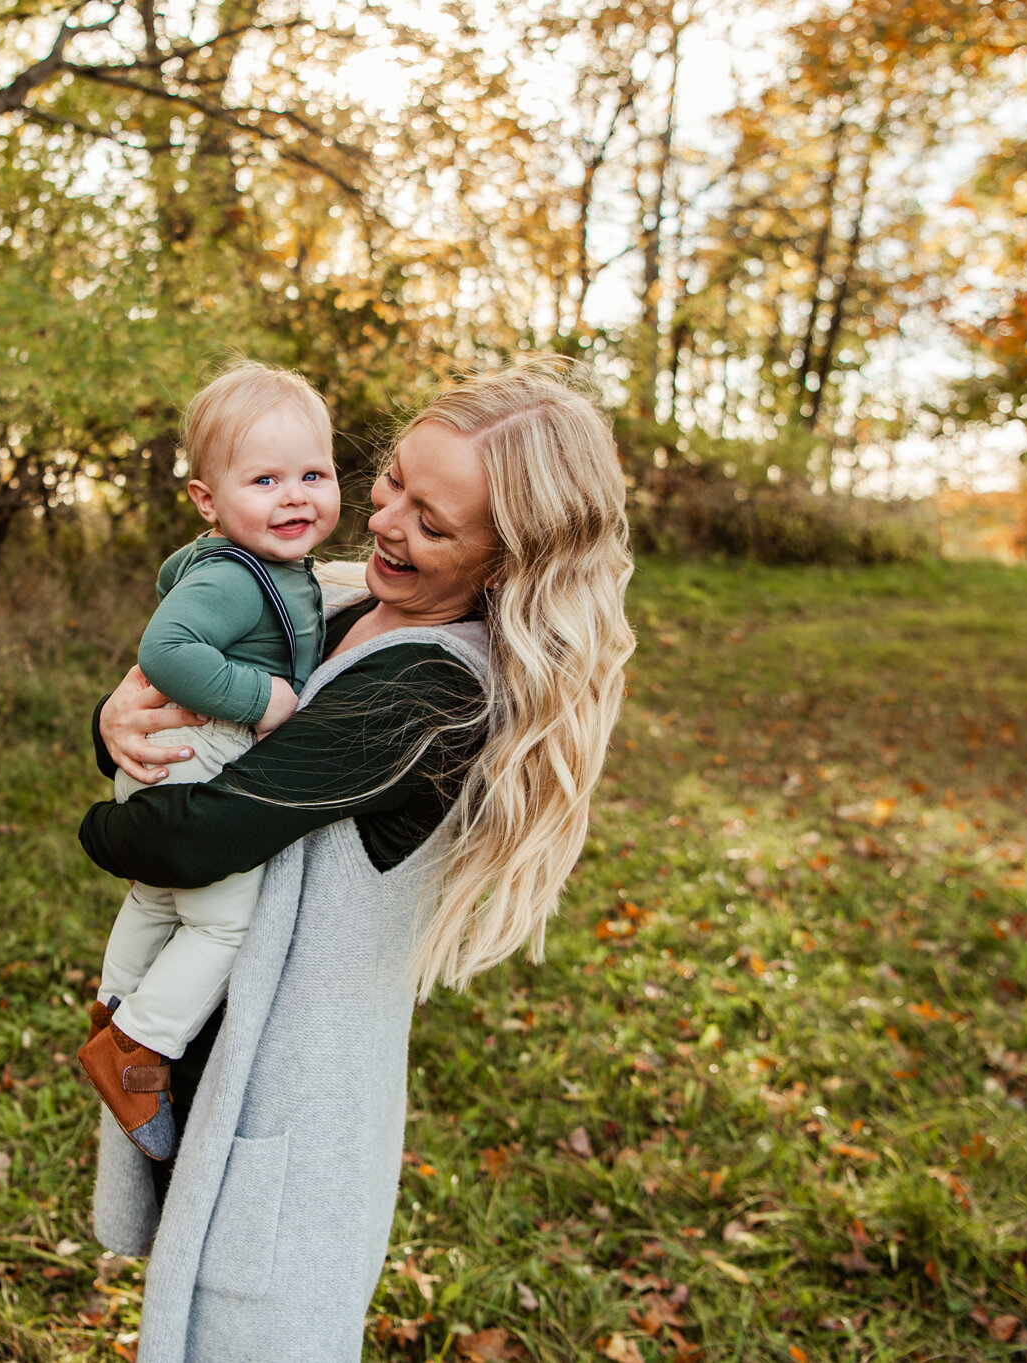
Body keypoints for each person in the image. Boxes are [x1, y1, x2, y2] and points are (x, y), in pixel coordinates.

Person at [77, 357, 635, 1362]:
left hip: (290, 1100)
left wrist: (96, 828)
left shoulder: (431, 690)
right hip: (217, 1054)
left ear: (505, 560)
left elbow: (200, 831)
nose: (383, 522)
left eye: (433, 522)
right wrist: (110, 721)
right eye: (391, 484)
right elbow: (187, 714)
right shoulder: (328, 605)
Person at [77, 362, 341, 1162]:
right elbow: (165, 648)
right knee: (226, 921)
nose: (294, 495)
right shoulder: (233, 575)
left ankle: (113, 1002)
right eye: (264, 479)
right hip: (203, 752)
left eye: (313, 474)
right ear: (206, 500)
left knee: (157, 896)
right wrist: (264, 700)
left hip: (174, 756)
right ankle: (137, 1048)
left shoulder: (269, 565)